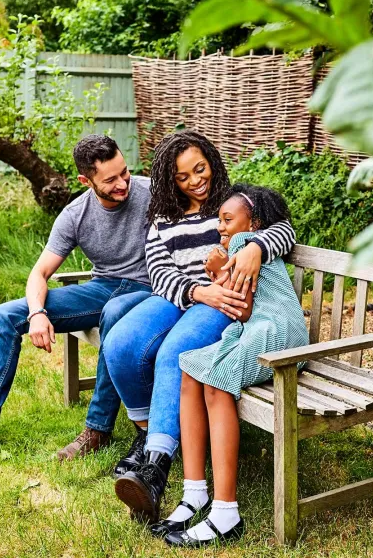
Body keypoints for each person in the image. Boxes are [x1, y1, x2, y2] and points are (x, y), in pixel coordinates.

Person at [0, 135, 153, 461]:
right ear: (85, 180)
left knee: (115, 312)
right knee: (6, 315)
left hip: (149, 290)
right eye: (110, 179)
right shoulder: (74, 215)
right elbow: (39, 274)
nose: (123, 183)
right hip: (103, 288)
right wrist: (37, 312)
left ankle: (97, 429)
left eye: (124, 172)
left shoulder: (153, 192)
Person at [103, 130, 296, 523]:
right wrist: (195, 290)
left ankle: (155, 467)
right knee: (121, 342)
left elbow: (283, 229)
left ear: (212, 162)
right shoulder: (162, 216)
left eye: (200, 169)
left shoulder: (231, 203)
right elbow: (159, 272)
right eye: (182, 176)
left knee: (175, 352)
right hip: (184, 295)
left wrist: (257, 247)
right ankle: (148, 434)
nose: (194, 181)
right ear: (170, 180)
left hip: (221, 301)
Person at [154, 184, 309, 547]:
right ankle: (194, 492)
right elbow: (242, 304)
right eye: (219, 220)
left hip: (276, 332)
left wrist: (220, 268)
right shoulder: (251, 243)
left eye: (228, 219)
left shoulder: (245, 244)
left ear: (252, 221)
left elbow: (242, 307)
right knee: (191, 367)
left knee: (216, 379)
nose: (221, 227)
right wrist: (220, 271)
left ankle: (226, 512)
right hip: (261, 327)